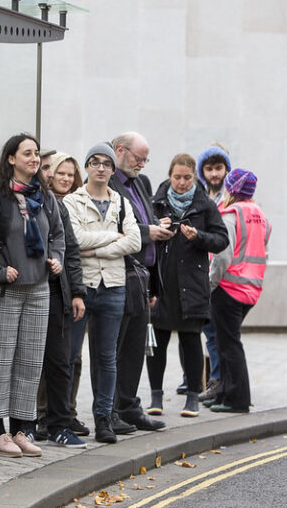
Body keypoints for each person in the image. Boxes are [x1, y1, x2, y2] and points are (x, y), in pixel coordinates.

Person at [0, 133, 65, 458]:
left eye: (36, 153)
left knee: (30, 363)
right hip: (3, 291)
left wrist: (55, 257)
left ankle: (21, 429)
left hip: (39, 288)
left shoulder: (45, 198)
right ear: (12, 159)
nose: (34, 159)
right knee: (2, 362)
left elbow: (57, 235)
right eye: (27, 154)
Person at [63, 143, 141, 443]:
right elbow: (76, 239)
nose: (101, 168)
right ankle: (65, 417)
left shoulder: (121, 202)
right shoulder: (72, 201)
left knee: (107, 357)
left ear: (112, 168)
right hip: (81, 287)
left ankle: (104, 419)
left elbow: (134, 241)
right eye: (94, 162)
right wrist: (111, 239)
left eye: (106, 163)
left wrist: (95, 248)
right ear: (86, 167)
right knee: (69, 355)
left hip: (114, 287)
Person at [147, 154, 228, 418]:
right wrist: (157, 228)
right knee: (157, 341)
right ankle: (156, 397)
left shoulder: (204, 205)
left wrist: (199, 237)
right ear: (169, 176)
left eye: (187, 178)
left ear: (195, 177)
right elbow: (141, 234)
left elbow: (221, 240)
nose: (181, 183)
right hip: (161, 281)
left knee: (191, 340)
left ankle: (192, 398)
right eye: (177, 177)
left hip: (192, 285)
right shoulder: (156, 202)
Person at [108, 132, 170, 431]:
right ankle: (111, 410)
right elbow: (114, 228)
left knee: (136, 347)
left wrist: (158, 227)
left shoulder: (141, 183)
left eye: (146, 159)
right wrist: (149, 233)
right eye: (138, 158)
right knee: (116, 348)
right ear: (120, 150)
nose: (142, 164)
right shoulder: (108, 182)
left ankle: (129, 406)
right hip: (120, 273)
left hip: (144, 278)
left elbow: (144, 219)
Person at [34, 150, 88, 448]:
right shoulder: (12, 200)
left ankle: (59, 422)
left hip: (58, 292)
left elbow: (71, 250)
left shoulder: (56, 205)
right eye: (47, 168)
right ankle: (30, 423)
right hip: (25, 290)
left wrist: (77, 292)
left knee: (62, 360)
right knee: (29, 362)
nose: (53, 175)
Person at [206, 169, 271, 414]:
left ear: (231, 189)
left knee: (229, 344)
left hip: (228, 288)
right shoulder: (261, 216)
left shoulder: (231, 216)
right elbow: (264, 251)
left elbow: (222, 256)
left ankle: (238, 399)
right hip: (251, 288)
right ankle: (223, 393)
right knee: (225, 342)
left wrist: (211, 284)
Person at [195, 144, 232, 403]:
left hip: (223, 276)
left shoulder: (230, 200)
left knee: (217, 334)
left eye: (219, 168)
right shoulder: (202, 197)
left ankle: (219, 382)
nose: (214, 174)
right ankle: (215, 381)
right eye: (209, 169)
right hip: (206, 273)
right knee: (211, 333)